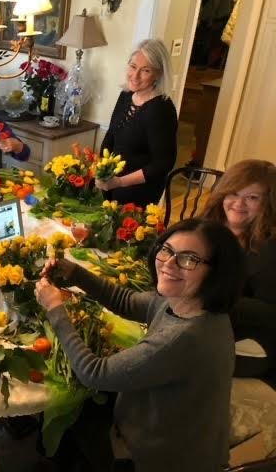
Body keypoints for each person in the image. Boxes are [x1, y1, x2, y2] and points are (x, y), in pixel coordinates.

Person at [35, 218, 244, 471]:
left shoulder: (185, 338)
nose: (167, 264)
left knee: (79, 416)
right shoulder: (193, 304)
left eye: (188, 259)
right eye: (166, 250)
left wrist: (55, 309)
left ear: (217, 273)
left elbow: (94, 373)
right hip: (177, 429)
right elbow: (124, 300)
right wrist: (74, 272)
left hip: (163, 457)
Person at [202, 159, 276, 379]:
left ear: (268, 203)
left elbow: (269, 313)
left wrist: (208, 298)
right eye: (233, 193)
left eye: (252, 197)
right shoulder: (208, 228)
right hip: (206, 326)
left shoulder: (270, 249)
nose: (238, 203)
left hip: (250, 340)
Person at [96, 39, 178, 207]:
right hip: (112, 183)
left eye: (145, 70)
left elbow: (162, 163)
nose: (135, 76)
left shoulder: (161, 109)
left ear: (158, 74)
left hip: (139, 192)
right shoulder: (126, 95)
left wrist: (119, 182)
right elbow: (111, 135)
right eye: (133, 67)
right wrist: (101, 170)